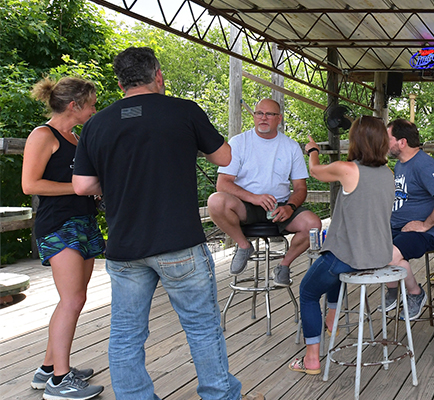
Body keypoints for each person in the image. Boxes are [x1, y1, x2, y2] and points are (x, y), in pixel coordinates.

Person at [72, 47, 262, 400]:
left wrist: (117, 180)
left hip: (125, 248)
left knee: (126, 333)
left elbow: (82, 185)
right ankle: (219, 395)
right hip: (179, 243)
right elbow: (224, 156)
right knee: (202, 328)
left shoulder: (97, 124)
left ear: (119, 83)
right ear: (158, 75)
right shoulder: (183, 110)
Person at [288, 116, 394, 375]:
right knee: (334, 270)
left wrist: (313, 151)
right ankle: (332, 319)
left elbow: (315, 171)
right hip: (379, 255)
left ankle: (311, 358)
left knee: (308, 291)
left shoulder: (348, 169)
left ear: (355, 140)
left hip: (350, 256)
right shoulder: (388, 173)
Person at [22, 76, 105, 400]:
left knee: (76, 298)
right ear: (75, 105)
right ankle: (59, 381)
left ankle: (47, 369)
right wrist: (79, 188)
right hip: (58, 225)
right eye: (93, 103)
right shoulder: (44, 135)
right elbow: (30, 185)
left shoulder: (75, 137)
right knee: (71, 300)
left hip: (82, 221)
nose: (95, 108)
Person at [207, 98, 322, 285]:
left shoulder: (291, 146)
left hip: (280, 206)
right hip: (245, 206)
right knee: (215, 201)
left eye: (269, 114)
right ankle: (243, 245)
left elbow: (301, 188)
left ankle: (283, 266)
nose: (263, 118)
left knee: (313, 224)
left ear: (279, 118)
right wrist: (253, 198)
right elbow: (223, 184)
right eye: (259, 113)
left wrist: (291, 207)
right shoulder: (238, 142)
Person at [383, 119, 434, 320]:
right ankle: (392, 291)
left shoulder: (423, 163)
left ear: (402, 142)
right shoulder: (400, 165)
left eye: (388, 139)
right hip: (400, 227)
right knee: (373, 247)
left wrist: (425, 225)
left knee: (389, 254)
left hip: (427, 233)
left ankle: (416, 293)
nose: (384, 144)